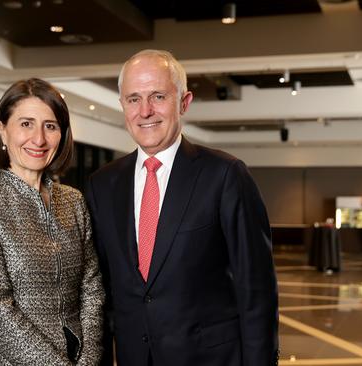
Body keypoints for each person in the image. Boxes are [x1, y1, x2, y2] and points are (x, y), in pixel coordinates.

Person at [85, 49, 279, 366]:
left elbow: (256, 290)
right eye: (133, 99)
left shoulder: (225, 175)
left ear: (184, 102)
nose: (145, 111)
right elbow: (101, 290)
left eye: (158, 96)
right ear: (123, 105)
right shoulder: (102, 184)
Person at [0, 78, 104, 365]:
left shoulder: (73, 200)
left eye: (50, 126)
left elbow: (92, 287)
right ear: (2, 131)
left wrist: (89, 360)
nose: (39, 139)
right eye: (26, 124)